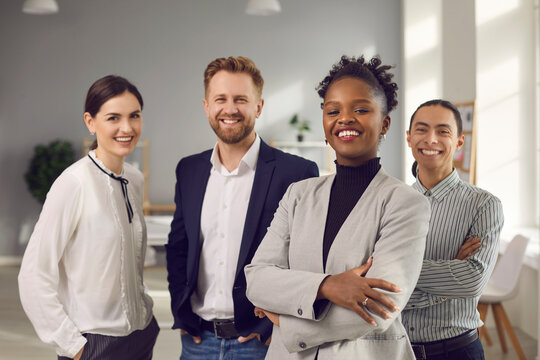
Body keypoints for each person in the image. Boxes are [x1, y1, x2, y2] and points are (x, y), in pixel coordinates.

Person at [244, 55, 431, 359]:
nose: (344, 118)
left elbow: (379, 307)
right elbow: (257, 279)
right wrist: (327, 287)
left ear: (384, 123)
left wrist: (288, 322)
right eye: (333, 110)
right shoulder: (298, 195)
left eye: (360, 109)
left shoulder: (406, 203)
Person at [166, 56, 319, 360]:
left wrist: (271, 325)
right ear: (206, 106)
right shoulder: (189, 170)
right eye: (220, 99)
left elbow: (305, 261)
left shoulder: (296, 173)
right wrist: (181, 313)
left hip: (261, 343)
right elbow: (178, 248)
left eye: (241, 99)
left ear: (258, 106)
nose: (230, 109)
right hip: (198, 343)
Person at [18, 75, 159, 360]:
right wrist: (75, 347)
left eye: (134, 116)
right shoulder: (73, 183)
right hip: (94, 344)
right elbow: (33, 274)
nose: (127, 128)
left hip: (141, 335)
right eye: (113, 118)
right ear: (90, 122)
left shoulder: (133, 178)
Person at [402, 99, 504, 360]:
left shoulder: (484, 205)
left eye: (443, 131)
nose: (431, 139)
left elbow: (472, 281)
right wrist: (450, 269)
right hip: (396, 349)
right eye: (421, 129)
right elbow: (374, 280)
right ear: (409, 138)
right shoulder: (391, 202)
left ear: (459, 142)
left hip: (456, 350)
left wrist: (399, 268)